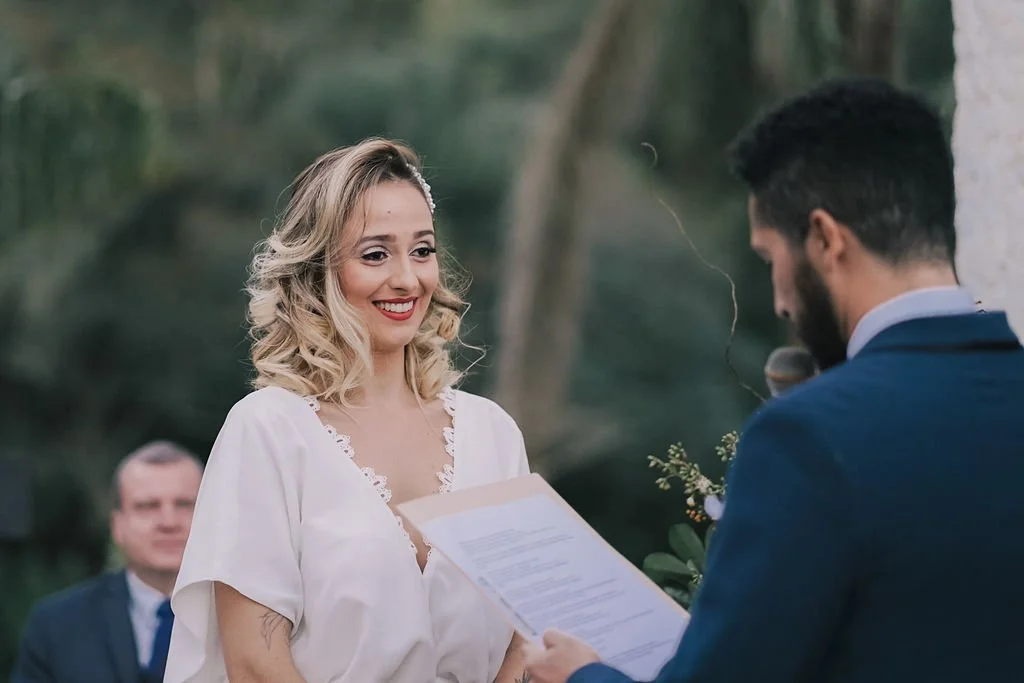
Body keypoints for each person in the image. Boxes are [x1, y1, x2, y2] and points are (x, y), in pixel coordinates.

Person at [523, 77, 1024, 682]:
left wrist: (581, 676)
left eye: (770, 258)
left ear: (824, 238)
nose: (781, 299)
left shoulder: (808, 439)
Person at [163, 138, 532, 683]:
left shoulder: (493, 433)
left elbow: (526, 635)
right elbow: (254, 663)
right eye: (375, 254)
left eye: (423, 250)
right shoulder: (268, 430)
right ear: (318, 272)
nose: (407, 278)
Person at [12, 441, 203, 683]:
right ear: (117, 525)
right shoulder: (55, 627)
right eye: (148, 506)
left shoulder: (250, 618)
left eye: (185, 504)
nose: (168, 521)